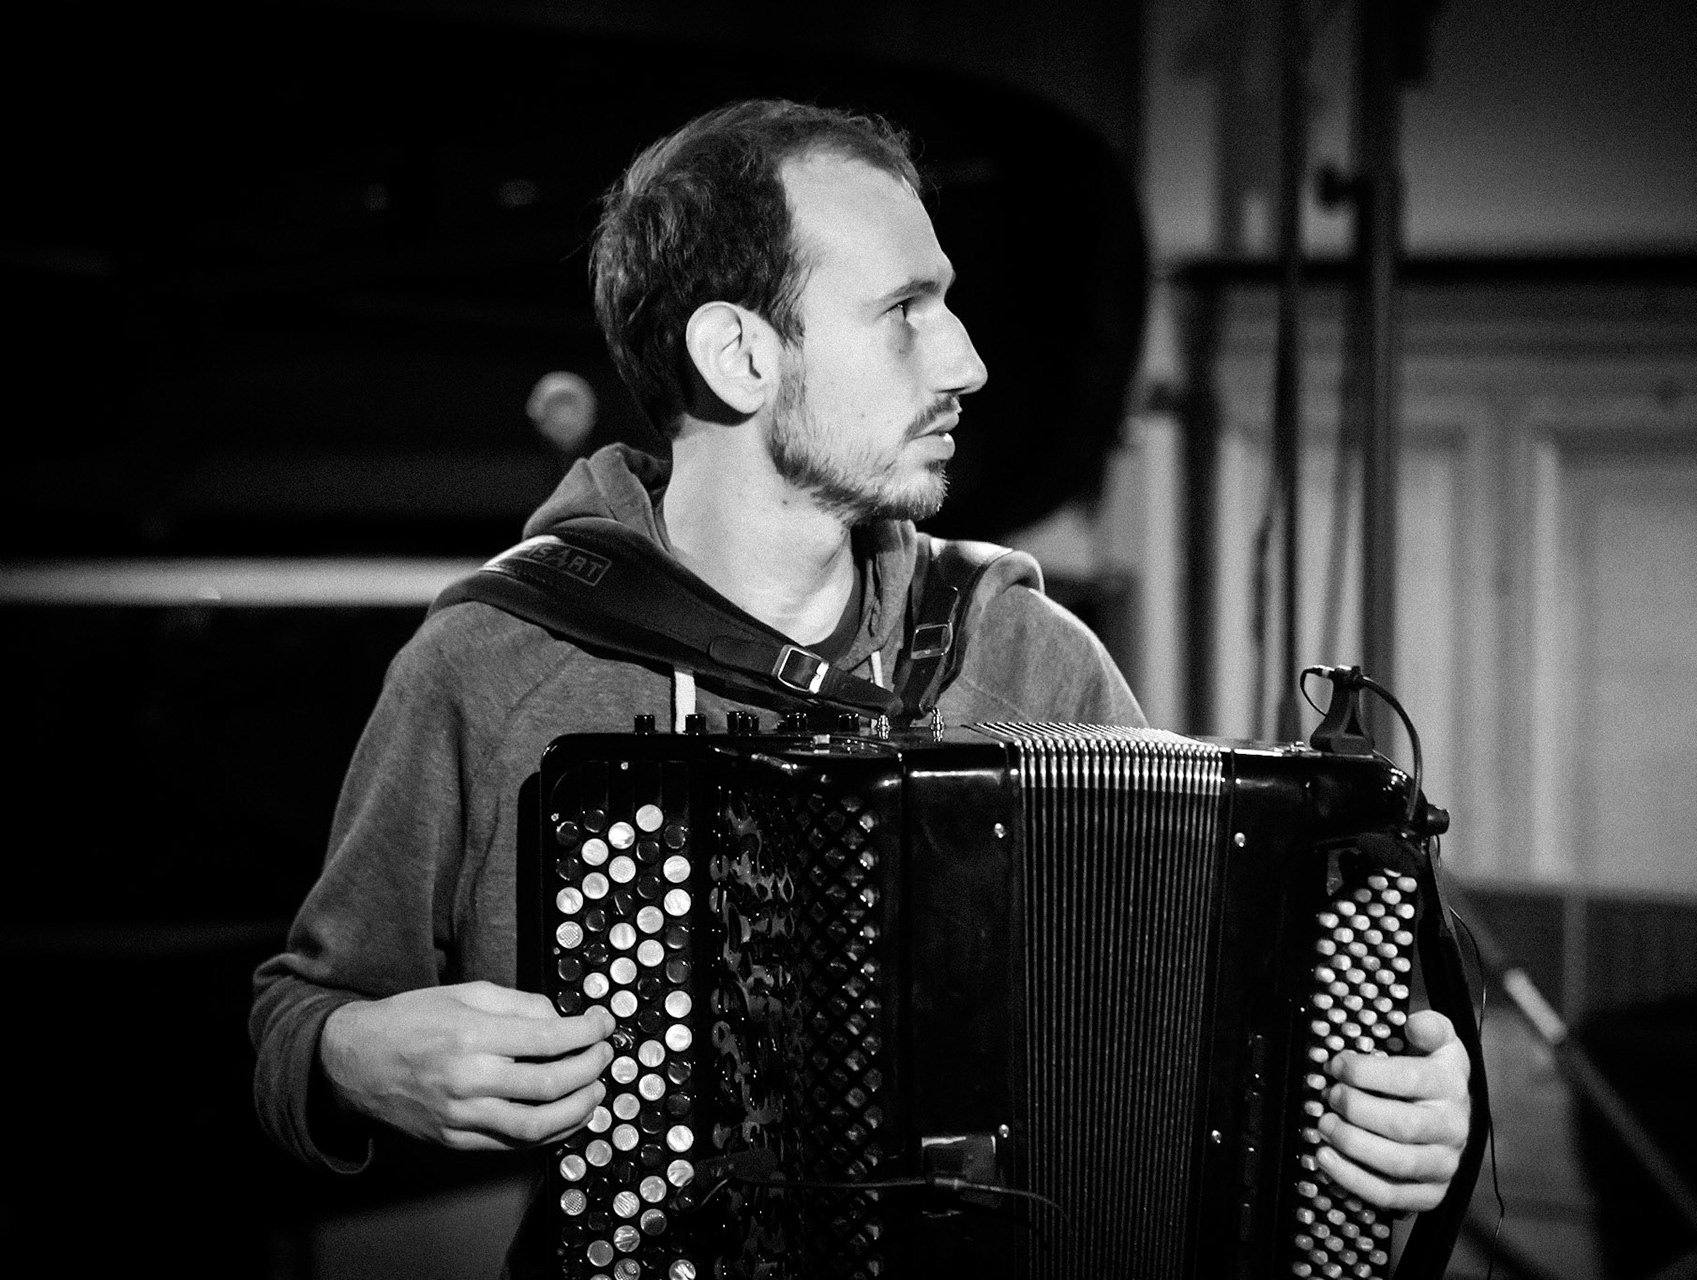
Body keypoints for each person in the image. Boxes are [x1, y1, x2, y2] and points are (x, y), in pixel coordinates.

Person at [250, 97, 1470, 1257]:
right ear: (739, 354)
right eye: (905, 309)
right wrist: (350, 1054)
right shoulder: (495, 662)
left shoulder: (1021, 652)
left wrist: (1387, 1104)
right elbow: (297, 1013)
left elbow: (1193, 1029)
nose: (968, 360)